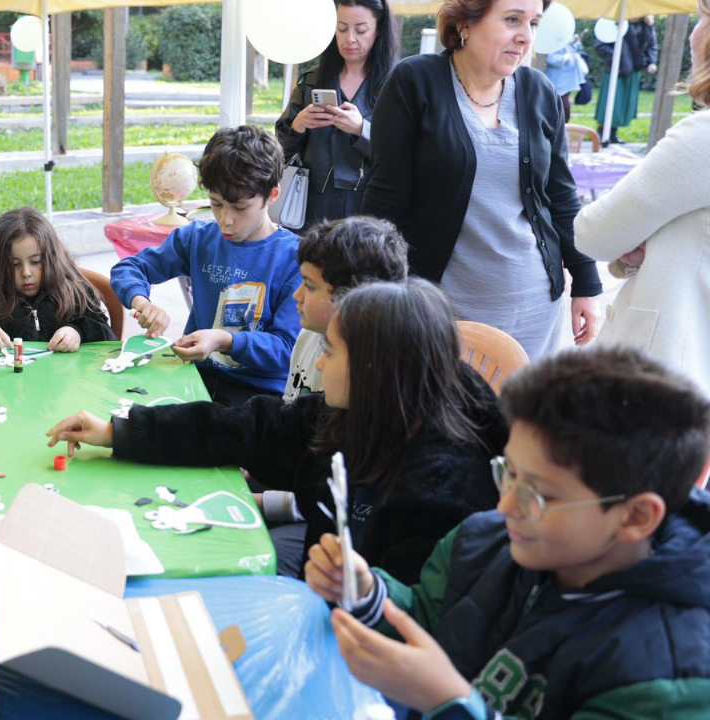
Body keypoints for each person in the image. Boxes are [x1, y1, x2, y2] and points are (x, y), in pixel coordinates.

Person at [308, 346, 710, 720]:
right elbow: (430, 620)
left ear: (635, 516)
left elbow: (440, 688)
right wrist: (368, 594)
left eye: (538, 493)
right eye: (509, 473)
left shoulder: (671, 677)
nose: (504, 508)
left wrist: (450, 703)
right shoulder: (482, 542)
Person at [47, 279, 506, 582]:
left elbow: (416, 619)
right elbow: (249, 426)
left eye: (332, 351)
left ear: (373, 369)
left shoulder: (446, 490)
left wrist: (353, 594)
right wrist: (117, 431)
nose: (319, 361)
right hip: (326, 581)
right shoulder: (357, 409)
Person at [362, 0, 601, 363]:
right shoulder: (414, 82)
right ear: (465, 24)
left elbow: (562, 198)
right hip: (440, 311)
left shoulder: (540, 91)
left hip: (535, 311)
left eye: (533, 23)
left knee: (520, 419)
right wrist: (373, 290)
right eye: (512, 20)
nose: (525, 36)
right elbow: (385, 199)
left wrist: (586, 282)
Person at [574, 0, 710, 398]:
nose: (692, 34)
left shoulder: (701, 138)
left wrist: (632, 242)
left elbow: (593, 233)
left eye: (703, 18)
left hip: (664, 369)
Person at [110, 125, 302, 405]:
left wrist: (226, 341)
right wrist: (142, 302)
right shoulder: (198, 239)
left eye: (240, 208)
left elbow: (287, 348)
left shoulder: (295, 258)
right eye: (216, 203)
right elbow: (129, 268)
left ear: (272, 195)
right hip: (193, 379)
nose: (226, 219)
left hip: (259, 396)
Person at [275, 0, 398, 229]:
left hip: (370, 208)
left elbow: (402, 155)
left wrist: (362, 129)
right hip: (311, 205)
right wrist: (298, 126)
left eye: (361, 30)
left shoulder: (395, 84)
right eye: (341, 28)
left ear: (378, 29)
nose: (349, 38)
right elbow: (281, 150)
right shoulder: (312, 80)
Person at [284, 215, 409, 404]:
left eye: (310, 286)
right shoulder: (308, 336)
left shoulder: (370, 368)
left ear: (351, 297)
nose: (297, 295)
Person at [0, 206, 114, 352]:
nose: (26, 273)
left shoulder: (71, 288)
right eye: (14, 264)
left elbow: (106, 334)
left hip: (61, 381)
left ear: (51, 259)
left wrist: (77, 331)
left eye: (36, 262)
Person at [594, 15, 658, 146]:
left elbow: (652, 44)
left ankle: (612, 134)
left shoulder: (646, 25)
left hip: (634, 69)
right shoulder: (615, 22)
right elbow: (600, 45)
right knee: (611, 103)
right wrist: (617, 57)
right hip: (615, 71)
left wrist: (651, 61)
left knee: (622, 105)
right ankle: (602, 133)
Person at [544, 35, 587, 120]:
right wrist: (565, 58)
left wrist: (575, 42)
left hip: (569, 76)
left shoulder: (567, 34)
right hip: (556, 77)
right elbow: (551, 59)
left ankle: (563, 126)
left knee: (564, 103)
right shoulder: (552, 39)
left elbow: (577, 48)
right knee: (556, 102)